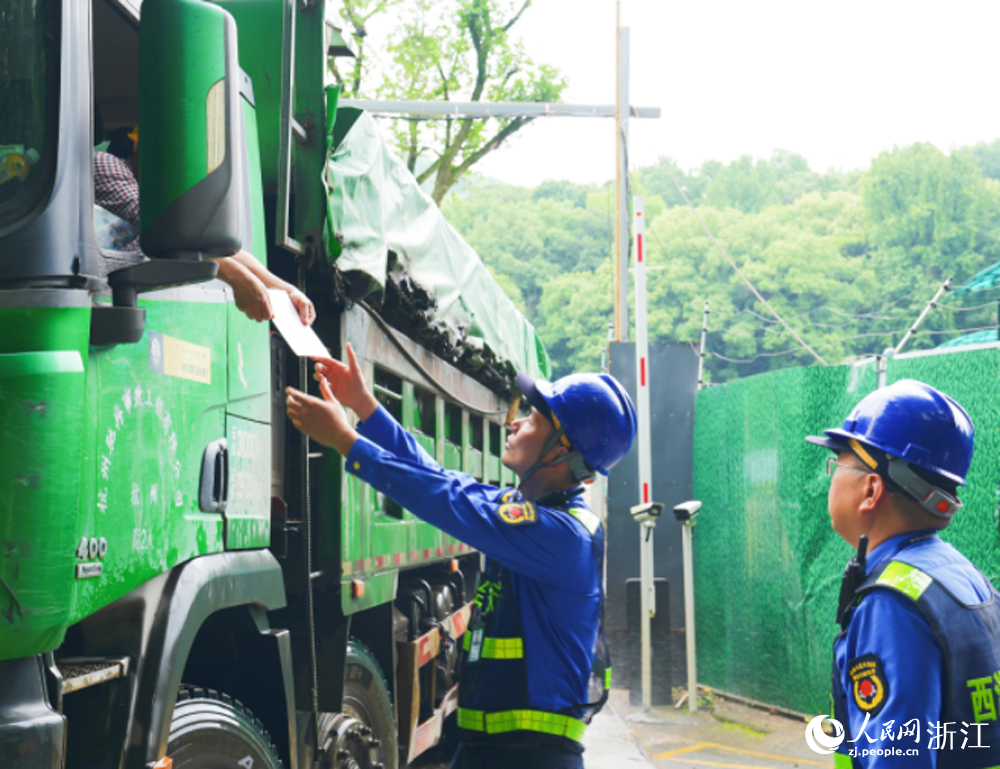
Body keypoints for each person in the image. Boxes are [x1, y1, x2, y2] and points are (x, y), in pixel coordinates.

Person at [285, 346, 637, 769]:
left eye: (532, 420)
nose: (515, 422)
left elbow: (445, 499)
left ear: (561, 452)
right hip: (489, 752)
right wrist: (365, 406)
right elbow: (438, 478)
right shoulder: (532, 514)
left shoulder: (563, 537)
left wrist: (347, 441)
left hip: (532, 760)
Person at [806, 379, 1000, 768]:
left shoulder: (891, 605)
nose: (832, 477)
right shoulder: (961, 575)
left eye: (837, 464)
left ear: (871, 490)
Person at [93, 139, 313, 326]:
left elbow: (217, 247)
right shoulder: (105, 164)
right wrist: (236, 276)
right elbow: (163, 234)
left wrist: (287, 290)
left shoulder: (161, 200)